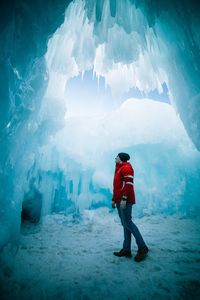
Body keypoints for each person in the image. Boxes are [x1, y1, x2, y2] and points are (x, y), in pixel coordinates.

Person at [112, 152, 148, 262]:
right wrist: (114, 199)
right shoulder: (119, 168)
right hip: (119, 200)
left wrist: (124, 198)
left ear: (121, 158)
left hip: (125, 201)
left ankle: (142, 248)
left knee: (128, 223)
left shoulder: (127, 168)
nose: (115, 158)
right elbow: (117, 186)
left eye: (117, 157)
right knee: (125, 224)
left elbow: (129, 185)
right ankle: (126, 249)